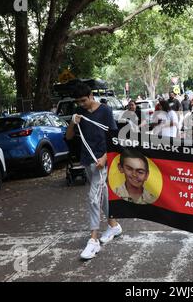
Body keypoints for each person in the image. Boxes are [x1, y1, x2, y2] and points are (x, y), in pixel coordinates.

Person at [66, 81, 122, 260]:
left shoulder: (105, 110)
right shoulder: (79, 114)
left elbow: (113, 136)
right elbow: (68, 137)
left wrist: (105, 157)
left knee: (93, 196)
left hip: (102, 161)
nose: (81, 104)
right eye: (78, 102)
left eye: (83, 100)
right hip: (87, 160)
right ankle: (113, 225)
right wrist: (72, 123)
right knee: (102, 193)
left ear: (91, 96)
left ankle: (93, 240)